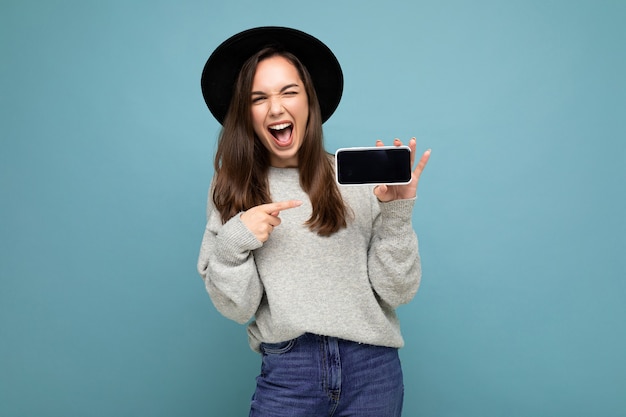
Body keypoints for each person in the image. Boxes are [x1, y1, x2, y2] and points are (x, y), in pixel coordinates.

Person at [197, 26, 430, 417]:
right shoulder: (232, 187)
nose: (275, 108)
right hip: (290, 370)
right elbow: (238, 308)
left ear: (310, 102)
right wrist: (235, 240)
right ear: (246, 113)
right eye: (259, 98)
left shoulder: (353, 182)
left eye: (289, 92)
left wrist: (395, 215)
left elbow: (398, 292)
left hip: (372, 369)